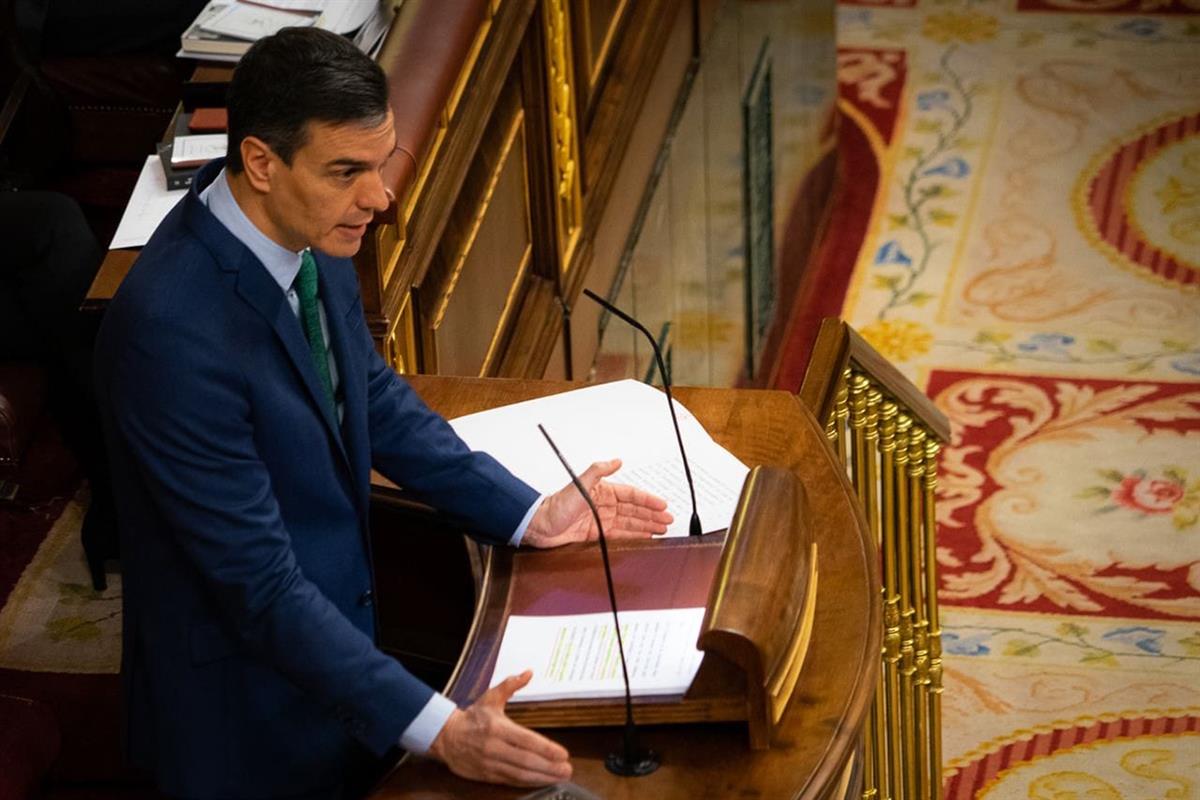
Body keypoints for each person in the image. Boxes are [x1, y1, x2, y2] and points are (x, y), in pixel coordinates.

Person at [93, 27, 672, 800]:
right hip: (249, 728)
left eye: (381, 163)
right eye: (347, 171)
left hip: (346, 666)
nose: (379, 197)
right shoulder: (169, 335)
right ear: (261, 163)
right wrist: (443, 728)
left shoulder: (309, 233)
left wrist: (530, 514)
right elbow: (258, 588)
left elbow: (370, 397)